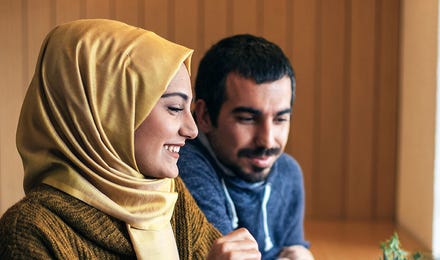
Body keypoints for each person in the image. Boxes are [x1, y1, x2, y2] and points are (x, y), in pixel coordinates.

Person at [0, 19, 261, 260]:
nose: (192, 130)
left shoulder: (169, 195)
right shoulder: (31, 230)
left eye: (188, 108)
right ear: (107, 111)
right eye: (174, 108)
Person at [178, 34, 314, 260]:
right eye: (248, 119)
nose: (267, 141)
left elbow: (294, 252)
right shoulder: (184, 166)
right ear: (204, 116)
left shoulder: (288, 174)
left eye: (280, 119)